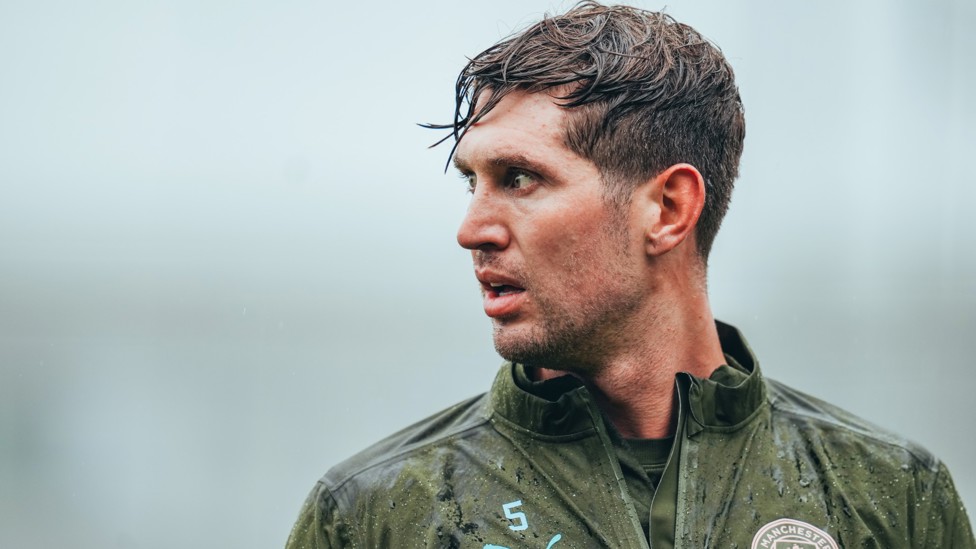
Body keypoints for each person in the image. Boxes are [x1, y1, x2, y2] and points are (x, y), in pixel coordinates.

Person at [285, 2, 974, 547]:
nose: (473, 229)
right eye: (473, 182)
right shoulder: (373, 515)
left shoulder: (890, 496)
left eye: (520, 179)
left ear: (668, 209)